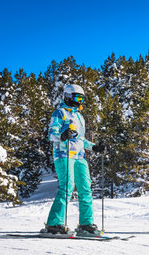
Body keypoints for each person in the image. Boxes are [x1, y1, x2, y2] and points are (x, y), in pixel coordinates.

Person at [44, 84, 105, 235]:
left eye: (82, 98)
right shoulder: (60, 113)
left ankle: (86, 223)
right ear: (67, 96)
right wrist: (63, 135)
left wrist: (94, 147)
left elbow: (81, 139)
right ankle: (54, 223)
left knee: (85, 189)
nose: (79, 101)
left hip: (80, 156)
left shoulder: (79, 117)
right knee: (67, 187)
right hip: (64, 154)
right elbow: (52, 134)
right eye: (77, 97)